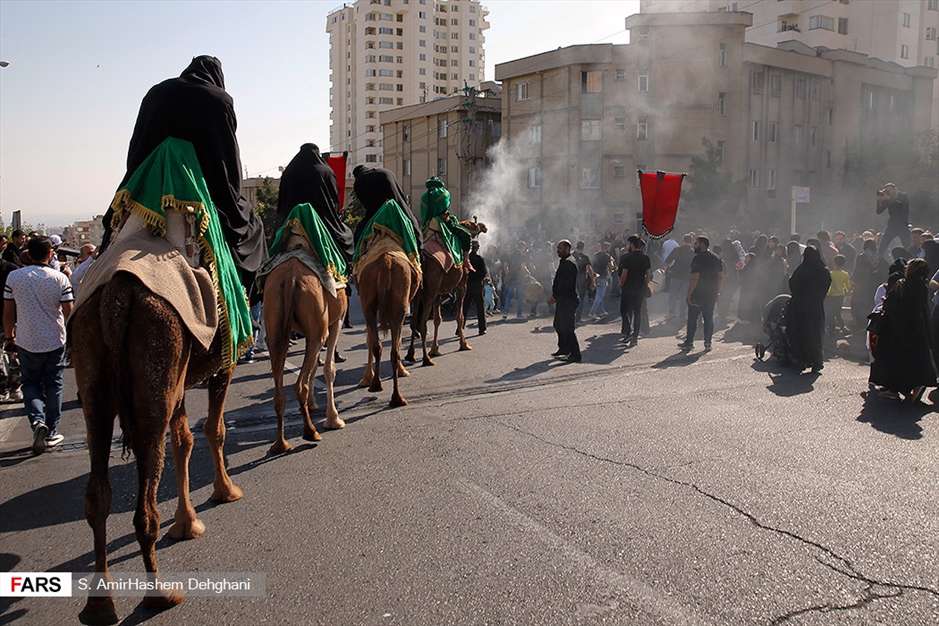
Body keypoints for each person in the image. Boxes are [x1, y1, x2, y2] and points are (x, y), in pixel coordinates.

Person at [101, 56, 266, 288]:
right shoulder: (219, 99)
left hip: (146, 186)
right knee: (251, 231)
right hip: (196, 192)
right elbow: (226, 163)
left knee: (108, 246)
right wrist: (233, 202)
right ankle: (243, 306)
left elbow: (136, 150)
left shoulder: (155, 93)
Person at [3, 237, 74, 454]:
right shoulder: (60, 278)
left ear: (29, 254)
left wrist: (9, 336)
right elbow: (68, 310)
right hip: (54, 340)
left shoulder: (14, 277)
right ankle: (51, 430)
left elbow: (8, 311)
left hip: (26, 340)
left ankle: (37, 422)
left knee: (30, 384)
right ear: (50, 254)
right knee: (54, 385)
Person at [869, 259, 937, 402]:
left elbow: (891, 305)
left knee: (897, 360)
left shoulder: (902, 284)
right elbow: (924, 310)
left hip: (899, 329)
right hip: (918, 330)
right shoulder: (922, 287)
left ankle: (894, 390)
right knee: (916, 359)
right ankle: (917, 384)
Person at [276, 143, 355, 263]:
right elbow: (333, 200)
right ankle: (347, 272)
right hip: (322, 222)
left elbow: (282, 201)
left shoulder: (289, 171)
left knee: (272, 250)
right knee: (347, 236)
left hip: (290, 223)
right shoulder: (326, 171)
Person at [351, 164, 422, 249]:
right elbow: (398, 194)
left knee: (359, 234)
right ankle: (420, 254)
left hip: (375, 213)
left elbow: (366, 204)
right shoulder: (385, 172)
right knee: (413, 226)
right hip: (395, 207)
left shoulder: (359, 181)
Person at [785, 246, 831, 373]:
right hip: (816, 307)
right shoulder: (823, 271)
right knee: (815, 334)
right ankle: (816, 361)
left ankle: (801, 359)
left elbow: (792, 284)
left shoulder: (801, 270)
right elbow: (826, 286)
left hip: (799, 307)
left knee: (799, 332)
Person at [679, 236, 723, 352]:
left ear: (702, 244)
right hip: (711, 294)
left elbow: (694, 278)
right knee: (708, 318)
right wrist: (717, 291)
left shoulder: (697, 258)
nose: (694, 245)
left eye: (696, 243)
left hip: (698, 293)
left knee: (692, 318)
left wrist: (689, 294)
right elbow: (720, 277)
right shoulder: (716, 257)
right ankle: (707, 343)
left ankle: (689, 343)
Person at [549, 240, 581, 362]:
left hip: (568, 300)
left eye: (560, 248)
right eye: (558, 248)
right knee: (558, 324)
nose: (558, 250)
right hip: (563, 299)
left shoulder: (569, 263)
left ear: (567, 249)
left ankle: (575, 354)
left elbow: (565, 284)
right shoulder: (565, 261)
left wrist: (555, 296)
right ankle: (564, 348)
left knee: (568, 328)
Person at [618, 235, 651, 347]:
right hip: (640, 288)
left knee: (624, 311)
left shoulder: (627, 257)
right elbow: (648, 274)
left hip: (628, 288)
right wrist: (645, 285)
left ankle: (628, 332)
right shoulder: (645, 258)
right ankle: (635, 337)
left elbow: (624, 274)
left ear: (632, 245)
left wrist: (621, 284)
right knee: (637, 312)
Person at [851, 239, 886, 332]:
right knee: (872, 304)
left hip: (863, 285)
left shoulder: (861, 257)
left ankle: (862, 324)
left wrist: (854, 281)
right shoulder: (880, 257)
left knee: (861, 305)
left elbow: (857, 271)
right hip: (875, 285)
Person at [664, 234, 694, 323]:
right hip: (687, 277)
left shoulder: (677, 250)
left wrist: (666, 269)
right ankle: (682, 315)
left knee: (673, 295)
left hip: (676, 275)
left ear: (683, 241)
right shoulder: (693, 252)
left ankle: (671, 313)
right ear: (691, 242)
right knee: (684, 296)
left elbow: (668, 261)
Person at [876, 183, 911, 257]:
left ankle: (911, 259)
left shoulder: (903, 195)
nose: (887, 192)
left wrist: (890, 199)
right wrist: (879, 200)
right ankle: (878, 259)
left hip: (902, 225)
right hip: (892, 225)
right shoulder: (888, 198)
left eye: (889, 190)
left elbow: (902, 205)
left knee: (907, 245)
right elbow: (879, 211)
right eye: (886, 190)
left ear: (895, 189)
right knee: (883, 245)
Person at [463, 241, 487, 335]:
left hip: (467, 285)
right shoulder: (480, 259)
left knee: (464, 307)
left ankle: (459, 328)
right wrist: (478, 278)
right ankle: (482, 329)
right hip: (477, 285)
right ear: (477, 248)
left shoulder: (465, 258)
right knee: (480, 308)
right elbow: (483, 273)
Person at [826, 255, 852, 335]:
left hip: (830, 296)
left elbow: (827, 285)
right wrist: (847, 292)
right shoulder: (845, 274)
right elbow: (848, 286)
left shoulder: (830, 273)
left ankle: (832, 328)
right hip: (840, 296)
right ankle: (842, 327)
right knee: (837, 312)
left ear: (834, 263)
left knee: (830, 313)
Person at [589, 242, 614, 318]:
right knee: (599, 295)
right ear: (606, 248)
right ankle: (592, 312)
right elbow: (611, 268)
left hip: (596, 276)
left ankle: (602, 310)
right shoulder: (607, 256)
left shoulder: (595, 255)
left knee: (600, 294)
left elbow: (591, 265)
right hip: (603, 276)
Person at [571, 241, 592, 322]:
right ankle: (577, 318)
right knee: (581, 299)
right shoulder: (585, 257)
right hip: (582, 278)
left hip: (571, 278)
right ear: (583, 248)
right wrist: (592, 280)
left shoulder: (571, 255)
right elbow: (589, 269)